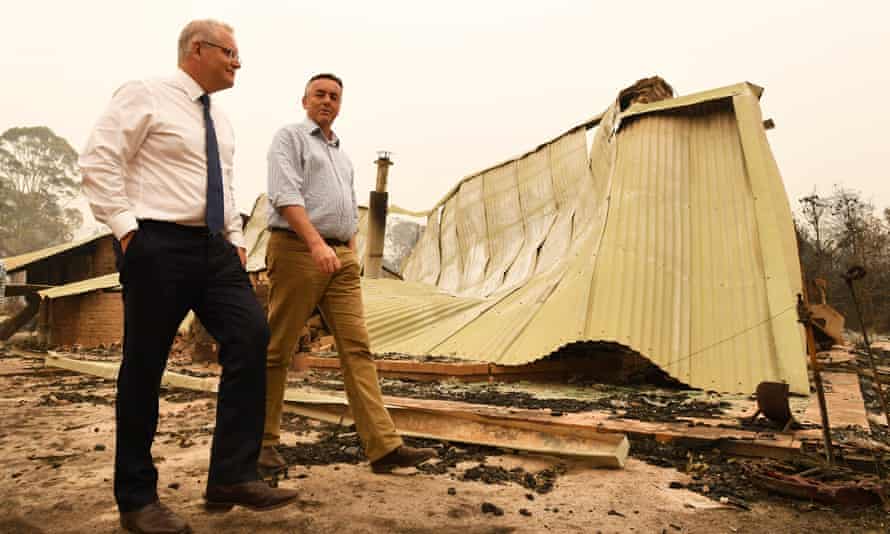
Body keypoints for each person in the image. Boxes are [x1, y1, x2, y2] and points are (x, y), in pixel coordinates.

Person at [80, 19, 298, 534]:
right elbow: (100, 158)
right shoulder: (146, 95)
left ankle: (231, 475)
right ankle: (137, 500)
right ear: (196, 50)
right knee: (145, 367)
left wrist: (236, 240)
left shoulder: (220, 119)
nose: (237, 63)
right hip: (157, 243)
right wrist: (127, 230)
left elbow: (220, 183)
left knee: (252, 337)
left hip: (215, 251)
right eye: (230, 52)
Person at [262, 73, 436, 475]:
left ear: (341, 105)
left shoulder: (341, 154)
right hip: (297, 249)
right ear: (303, 100)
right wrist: (316, 244)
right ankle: (262, 444)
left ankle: (384, 447)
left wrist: (351, 254)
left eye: (334, 96)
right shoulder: (289, 138)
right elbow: (285, 195)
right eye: (319, 94)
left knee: (358, 350)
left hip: (339, 257)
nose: (327, 101)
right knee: (278, 350)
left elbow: (348, 210)